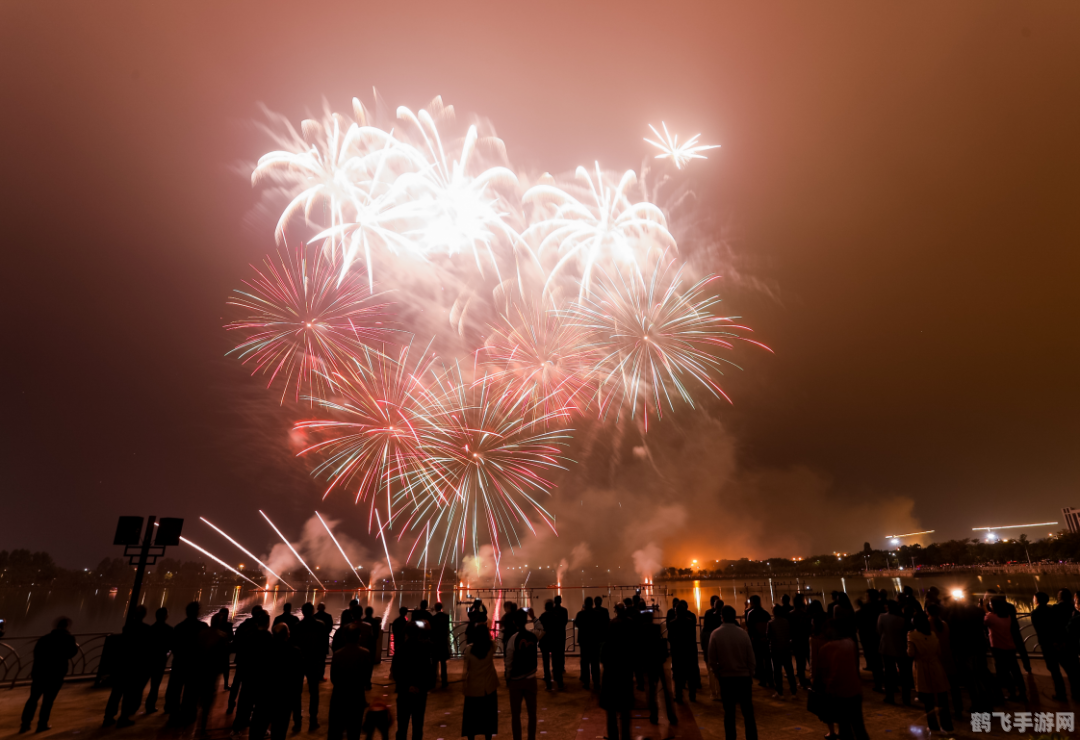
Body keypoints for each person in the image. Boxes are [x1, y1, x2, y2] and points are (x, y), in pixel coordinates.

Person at [20, 616, 78, 734]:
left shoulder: (44, 639)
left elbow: (36, 654)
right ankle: (42, 724)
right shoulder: (69, 639)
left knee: (33, 699)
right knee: (48, 701)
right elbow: (72, 652)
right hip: (56, 674)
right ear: (67, 626)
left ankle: (25, 724)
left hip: (39, 673)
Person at [708, 606, 758, 740]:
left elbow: (712, 659)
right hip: (743, 678)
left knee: (729, 713)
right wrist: (750, 673)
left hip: (726, 678)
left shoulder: (716, 634)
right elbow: (751, 658)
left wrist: (718, 673)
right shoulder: (743, 633)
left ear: (722, 617)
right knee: (748, 713)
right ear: (735, 617)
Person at [249, 622, 303, 740]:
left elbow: (257, 674)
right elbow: (297, 681)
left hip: (264, 698)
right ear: (287, 635)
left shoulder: (264, 650)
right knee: (279, 733)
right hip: (283, 700)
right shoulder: (294, 652)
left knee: (256, 732)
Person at [103, 605, 151, 729]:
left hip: (122, 664)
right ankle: (124, 716)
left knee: (116, 692)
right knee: (129, 693)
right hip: (134, 666)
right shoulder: (146, 629)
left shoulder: (127, 627)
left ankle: (108, 717)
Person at [819, 627, 869, 740]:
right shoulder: (850, 643)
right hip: (855, 689)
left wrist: (828, 686)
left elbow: (831, 672)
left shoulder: (826, 648)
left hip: (840, 693)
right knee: (859, 726)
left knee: (845, 727)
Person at [907, 612, 953, 733]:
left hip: (922, 668)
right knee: (942, 698)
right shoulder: (932, 634)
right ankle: (947, 726)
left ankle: (933, 726)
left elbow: (911, 653)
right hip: (935, 666)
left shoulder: (912, 635)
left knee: (928, 700)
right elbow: (938, 651)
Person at [329, 621, 373, 740]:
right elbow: (367, 677)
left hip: (339, 696)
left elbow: (333, 678)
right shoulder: (365, 653)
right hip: (357, 696)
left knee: (337, 729)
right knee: (354, 729)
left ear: (345, 637)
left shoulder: (337, 654)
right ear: (359, 637)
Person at [167, 602, 208, 724]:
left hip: (179, 663)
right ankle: (188, 714)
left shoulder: (179, 627)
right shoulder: (202, 626)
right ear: (197, 612)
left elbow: (173, 646)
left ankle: (173, 715)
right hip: (194, 665)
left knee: (175, 691)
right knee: (191, 691)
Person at [504, 608, 542, 740]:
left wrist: (507, 676)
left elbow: (508, 660)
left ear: (515, 622)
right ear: (526, 621)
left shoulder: (512, 639)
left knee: (516, 714)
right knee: (532, 713)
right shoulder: (533, 635)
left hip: (515, 680)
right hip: (531, 679)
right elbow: (542, 630)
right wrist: (534, 617)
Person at [230, 607, 268, 732]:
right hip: (255, 670)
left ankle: (233, 711)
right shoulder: (264, 635)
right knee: (256, 697)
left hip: (243, 663)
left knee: (240, 690)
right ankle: (252, 724)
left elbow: (235, 644)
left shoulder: (243, 627)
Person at [600, 606, 635, 740]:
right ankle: (626, 737)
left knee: (611, 714)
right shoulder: (628, 645)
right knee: (625, 715)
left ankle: (613, 737)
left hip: (610, 681)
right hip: (625, 680)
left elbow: (603, 661)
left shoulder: (607, 646)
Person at [294, 602, 330, 731]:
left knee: (297, 693)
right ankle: (313, 720)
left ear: (302, 612)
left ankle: (297, 721)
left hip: (300, 663)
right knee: (314, 692)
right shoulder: (320, 625)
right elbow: (323, 643)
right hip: (314, 662)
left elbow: (294, 645)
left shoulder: (297, 626)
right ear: (313, 611)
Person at [395, 621, 434, 740]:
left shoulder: (400, 649)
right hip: (420, 692)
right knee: (417, 726)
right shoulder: (424, 648)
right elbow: (427, 670)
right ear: (418, 633)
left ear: (405, 633)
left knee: (402, 727)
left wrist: (407, 686)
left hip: (404, 692)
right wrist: (420, 686)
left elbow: (397, 672)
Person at [194, 611, 230, 734]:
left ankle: (196, 724)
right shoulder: (222, 636)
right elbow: (224, 656)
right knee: (208, 701)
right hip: (212, 672)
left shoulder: (201, 634)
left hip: (199, 670)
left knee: (198, 697)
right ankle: (202, 728)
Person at [461, 623, 499, 740]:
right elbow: (493, 641)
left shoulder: (468, 649)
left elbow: (466, 669)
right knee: (488, 718)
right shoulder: (491, 646)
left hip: (473, 688)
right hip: (488, 688)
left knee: (472, 719)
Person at [641, 608, 677, 726]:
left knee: (651, 691)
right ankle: (671, 716)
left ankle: (654, 715)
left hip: (648, 662)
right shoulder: (656, 628)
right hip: (658, 661)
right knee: (666, 690)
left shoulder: (641, 629)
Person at [986, 597, 1026, 701]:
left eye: (990, 603)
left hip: (998, 647)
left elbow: (984, 621)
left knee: (1005, 672)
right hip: (1010, 646)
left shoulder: (990, 617)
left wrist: (983, 607)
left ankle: (1012, 692)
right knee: (1015, 670)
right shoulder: (1008, 616)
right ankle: (1022, 692)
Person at [878, 600, 911, 706]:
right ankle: (906, 698)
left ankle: (890, 696)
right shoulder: (902, 619)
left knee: (889, 673)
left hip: (886, 646)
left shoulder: (882, 617)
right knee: (904, 674)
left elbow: (879, 631)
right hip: (900, 646)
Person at [670, 599, 700, 702]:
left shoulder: (672, 623)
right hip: (689, 650)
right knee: (691, 675)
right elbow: (692, 636)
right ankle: (692, 695)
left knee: (678, 676)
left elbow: (671, 638)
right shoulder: (690, 621)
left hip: (678, 652)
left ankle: (678, 696)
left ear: (675, 611)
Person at [855, 589, 884, 693]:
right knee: (883, 661)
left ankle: (878, 684)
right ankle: (890, 683)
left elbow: (859, 618)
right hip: (880, 636)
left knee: (875, 662)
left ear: (869, 596)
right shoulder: (882, 606)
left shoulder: (866, 608)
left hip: (869, 636)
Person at [145, 607, 173, 714]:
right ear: (165, 616)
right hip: (160, 659)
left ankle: (132, 707)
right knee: (155, 685)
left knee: (141, 683)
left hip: (149, 659)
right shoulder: (169, 629)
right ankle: (150, 705)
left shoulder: (150, 629)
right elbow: (171, 645)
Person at [767, 604, 797, 698]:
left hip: (776, 649)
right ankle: (793, 692)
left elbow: (768, 636)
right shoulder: (786, 622)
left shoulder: (771, 623)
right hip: (786, 649)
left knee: (777, 671)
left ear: (774, 612)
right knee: (790, 671)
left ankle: (780, 692)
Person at [744, 595, 772, 688]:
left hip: (756, 640)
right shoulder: (766, 613)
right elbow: (769, 626)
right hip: (765, 639)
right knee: (768, 660)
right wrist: (765, 637)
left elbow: (750, 626)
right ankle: (771, 680)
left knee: (759, 660)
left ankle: (762, 680)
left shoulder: (751, 613)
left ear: (752, 602)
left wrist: (755, 637)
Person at [701, 596, 724, 700]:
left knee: (711, 669)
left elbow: (704, 629)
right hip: (721, 644)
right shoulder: (723, 615)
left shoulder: (708, 614)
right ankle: (720, 691)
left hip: (709, 643)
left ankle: (713, 693)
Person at [789, 594, 812, 689]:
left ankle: (802, 682)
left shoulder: (790, 615)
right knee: (811, 660)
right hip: (807, 639)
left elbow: (789, 629)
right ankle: (814, 679)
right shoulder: (806, 614)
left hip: (796, 640)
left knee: (800, 662)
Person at [210, 607, 235, 690]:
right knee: (226, 668)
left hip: (216, 650)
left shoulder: (214, 626)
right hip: (224, 649)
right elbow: (231, 637)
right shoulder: (228, 625)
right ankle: (226, 685)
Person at [431, 602, 451, 689]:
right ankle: (444, 681)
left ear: (435, 608)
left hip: (436, 642)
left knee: (434, 664)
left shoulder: (433, 618)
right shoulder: (447, 617)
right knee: (443, 663)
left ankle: (433, 681)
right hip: (443, 642)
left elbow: (432, 631)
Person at [364, 606, 383, 673]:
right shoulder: (375, 622)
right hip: (372, 645)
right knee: (370, 663)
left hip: (364, 644)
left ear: (365, 613)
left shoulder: (363, 621)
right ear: (372, 613)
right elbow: (376, 635)